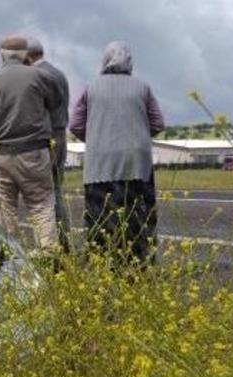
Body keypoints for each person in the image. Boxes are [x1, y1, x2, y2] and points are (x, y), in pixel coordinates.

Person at [69, 41, 165, 264]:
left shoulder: (91, 87)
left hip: (100, 163)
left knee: (100, 215)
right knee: (138, 215)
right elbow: (158, 123)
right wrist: (137, 135)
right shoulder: (143, 87)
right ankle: (140, 261)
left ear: (105, 60)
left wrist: (96, 139)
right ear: (130, 61)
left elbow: (75, 125)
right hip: (136, 161)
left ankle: (103, 262)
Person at [0, 35, 62, 251]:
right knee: (41, 207)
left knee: (6, 213)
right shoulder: (40, 77)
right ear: (26, 55)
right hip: (34, 152)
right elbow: (56, 101)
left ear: (1, 54)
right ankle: (49, 258)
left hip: (1, 153)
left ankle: (12, 261)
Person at [27, 37, 72, 253]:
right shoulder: (59, 74)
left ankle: (51, 244)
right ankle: (63, 241)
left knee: (42, 194)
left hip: (45, 138)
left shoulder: (36, 76)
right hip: (61, 133)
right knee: (56, 189)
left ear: (28, 56)